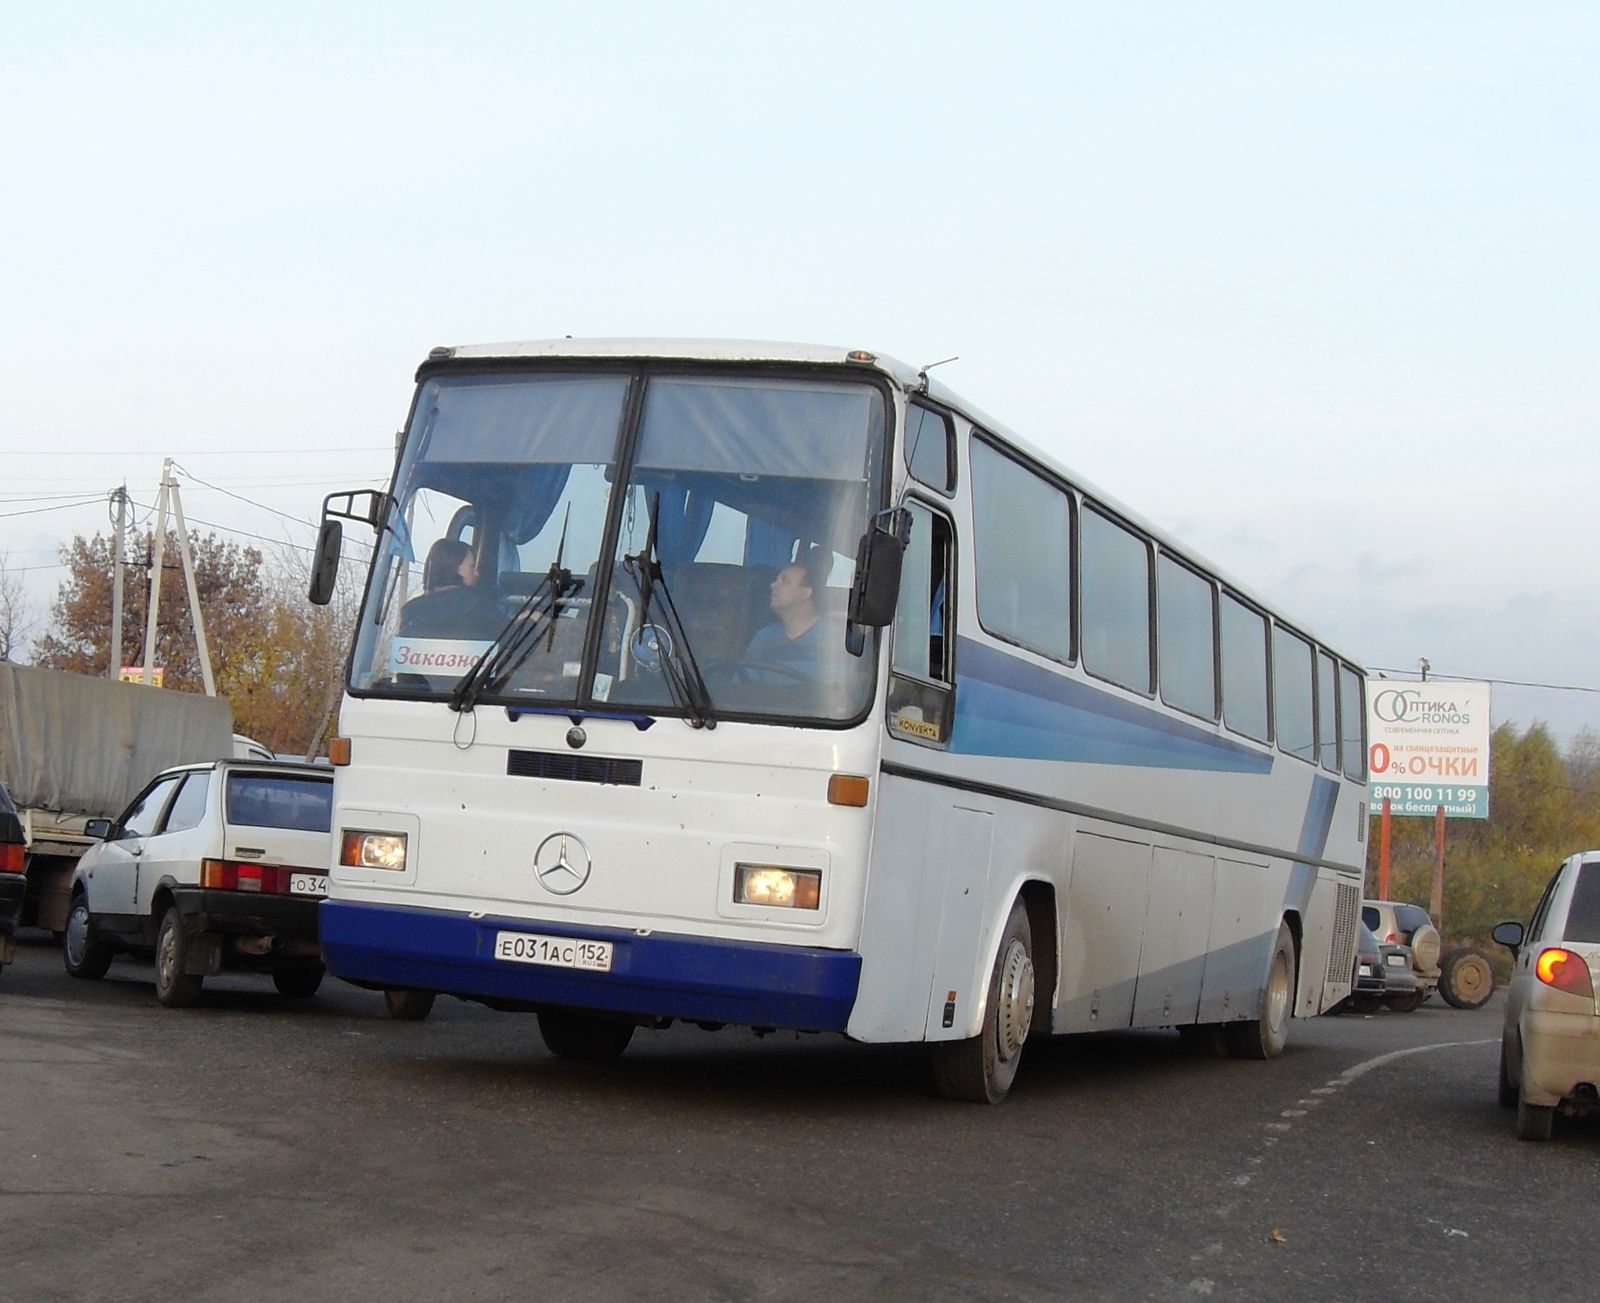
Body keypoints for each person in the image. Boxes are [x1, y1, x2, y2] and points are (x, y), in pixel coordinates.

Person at [743, 550, 840, 678]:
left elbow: (838, 693)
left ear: (805, 593)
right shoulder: (763, 638)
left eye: (784, 580)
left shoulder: (835, 640)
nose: (773, 585)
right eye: (776, 580)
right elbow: (742, 685)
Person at [398, 538, 503, 638]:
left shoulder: (411, 611)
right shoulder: (478, 605)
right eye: (472, 566)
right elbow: (509, 636)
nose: (476, 573)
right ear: (454, 567)